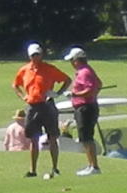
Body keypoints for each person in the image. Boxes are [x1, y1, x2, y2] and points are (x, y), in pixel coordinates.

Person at [14, 42, 71, 180]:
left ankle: (55, 167)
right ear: (29, 56)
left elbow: (67, 80)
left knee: (52, 137)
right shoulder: (24, 70)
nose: (36, 57)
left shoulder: (49, 69)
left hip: (47, 105)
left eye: (38, 54)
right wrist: (24, 96)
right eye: (33, 55)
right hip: (32, 106)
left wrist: (57, 93)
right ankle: (32, 170)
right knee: (33, 139)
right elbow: (15, 85)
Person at [65, 46, 105, 175]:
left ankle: (94, 167)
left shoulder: (84, 72)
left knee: (87, 138)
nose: (71, 63)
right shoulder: (87, 70)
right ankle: (91, 165)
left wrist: (75, 95)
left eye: (72, 60)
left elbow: (90, 89)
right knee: (85, 137)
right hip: (86, 106)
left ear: (77, 60)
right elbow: (99, 84)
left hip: (85, 108)